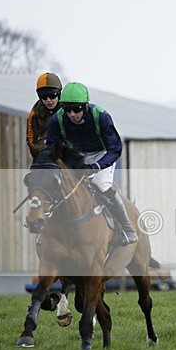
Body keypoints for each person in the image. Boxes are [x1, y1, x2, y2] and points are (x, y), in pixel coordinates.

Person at [45, 82, 138, 245]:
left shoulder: (101, 116)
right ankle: (42, 223)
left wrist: (97, 166)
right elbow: (51, 150)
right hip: (77, 154)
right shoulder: (56, 120)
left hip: (102, 153)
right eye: (67, 110)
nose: (72, 114)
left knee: (100, 184)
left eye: (77, 109)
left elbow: (115, 149)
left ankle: (127, 228)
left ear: (85, 106)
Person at [26, 72, 63, 159]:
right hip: (44, 152)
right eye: (44, 96)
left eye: (52, 95)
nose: (48, 100)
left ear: (59, 93)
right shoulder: (36, 112)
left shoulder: (68, 108)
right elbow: (31, 138)